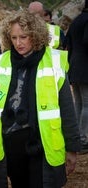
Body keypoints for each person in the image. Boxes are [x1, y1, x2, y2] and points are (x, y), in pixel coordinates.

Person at [0, 10, 81, 187]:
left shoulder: (54, 62)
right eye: (14, 37)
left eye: (23, 37)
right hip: (11, 145)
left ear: (35, 35)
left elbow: (67, 109)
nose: (18, 43)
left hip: (43, 144)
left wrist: (72, 148)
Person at [66, 0, 88, 154]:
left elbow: (68, 43)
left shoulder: (76, 21)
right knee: (87, 104)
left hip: (74, 66)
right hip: (86, 67)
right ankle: (84, 138)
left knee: (78, 103)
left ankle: (76, 137)